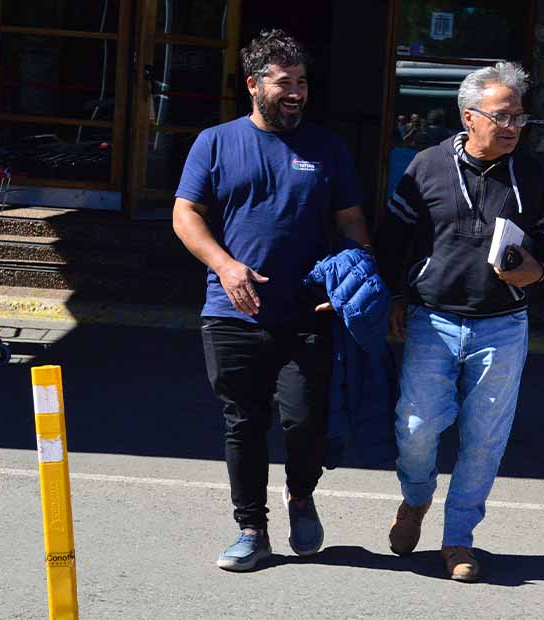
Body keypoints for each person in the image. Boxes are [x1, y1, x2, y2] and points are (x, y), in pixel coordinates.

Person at [172, 29, 371, 573]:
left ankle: (300, 494)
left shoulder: (327, 148)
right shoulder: (215, 142)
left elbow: (351, 221)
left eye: (302, 82)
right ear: (253, 84)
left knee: (304, 420)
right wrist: (224, 264)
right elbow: (185, 214)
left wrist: (356, 278)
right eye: (285, 82)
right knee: (244, 422)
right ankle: (251, 530)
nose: (297, 93)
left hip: (306, 311)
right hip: (231, 311)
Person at [375, 61, 544, 582]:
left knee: (483, 441)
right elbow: (391, 238)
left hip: (503, 325)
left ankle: (458, 539)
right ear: (469, 116)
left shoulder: (531, 173)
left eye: (518, 118)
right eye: (502, 116)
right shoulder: (426, 165)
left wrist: (537, 270)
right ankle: (416, 498)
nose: (512, 127)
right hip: (432, 319)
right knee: (415, 428)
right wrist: (395, 295)